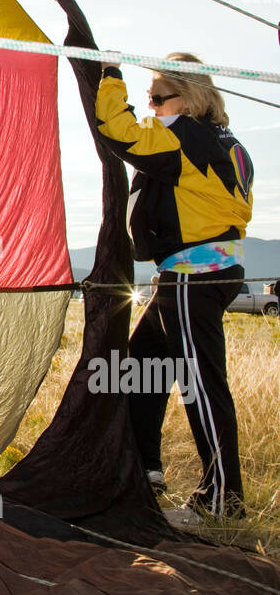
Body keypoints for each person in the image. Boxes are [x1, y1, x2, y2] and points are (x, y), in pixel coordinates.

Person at [96, 53, 254, 518]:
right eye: (149, 99)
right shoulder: (226, 142)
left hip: (195, 276)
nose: (152, 108)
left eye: (159, 98)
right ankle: (147, 469)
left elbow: (120, 133)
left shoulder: (186, 135)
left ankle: (225, 500)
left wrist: (109, 77)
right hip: (199, 273)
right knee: (143, 364)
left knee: (202, 385)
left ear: (189, 97)